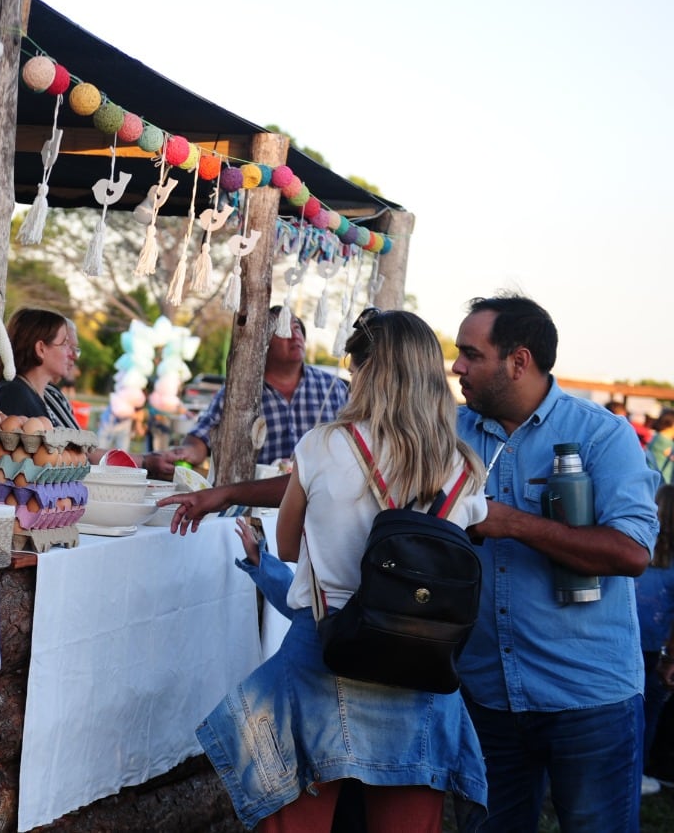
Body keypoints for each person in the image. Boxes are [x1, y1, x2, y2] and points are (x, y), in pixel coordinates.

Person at [196, 310, 490, 831]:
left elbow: (287, 546)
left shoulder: (325, 445)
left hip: (324, 652)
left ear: (370, 372)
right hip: (419, 664)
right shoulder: (464, 466)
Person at [450, 295, 659, 830]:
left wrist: (510, 521)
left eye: (471, 355)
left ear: (518, 362)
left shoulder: (601, 435)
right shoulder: (451, 432)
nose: (457, 367)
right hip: (486, 696)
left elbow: (633, 552)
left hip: (587, 699)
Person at [143, 306, 348, 480]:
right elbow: (201, 436)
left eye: (298, 328)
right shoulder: (239, 392)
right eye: (283, 330)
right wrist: (188, 452)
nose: (295, 336)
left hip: (319, 499)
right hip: (257, 503)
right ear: (263, 343)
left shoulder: (333, 388)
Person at [638, 484, 674, 794]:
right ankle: (638, 772)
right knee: (648, 713)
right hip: (655, 648)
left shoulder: (638, 548)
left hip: (625, 641)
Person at [0, 307, 81, 429]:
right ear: (41, 349)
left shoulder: (40, 393)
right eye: (65, 344)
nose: (72, 354)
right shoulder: (13, 394)